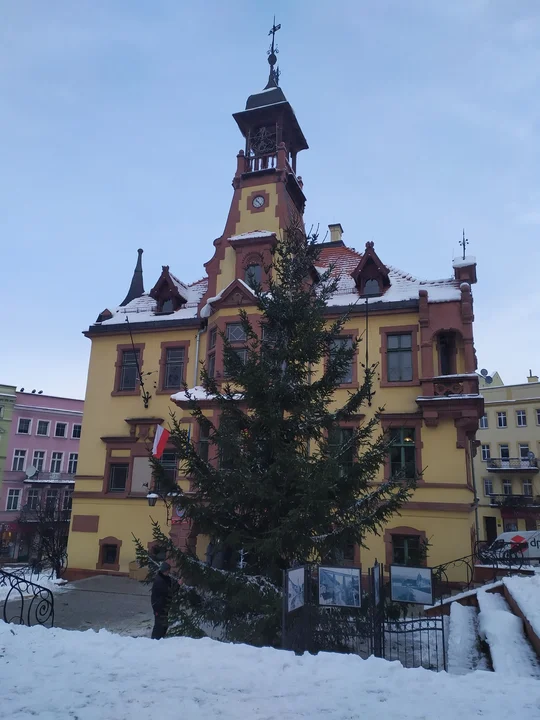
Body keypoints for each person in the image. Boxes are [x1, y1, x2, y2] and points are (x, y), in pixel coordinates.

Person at [151, 561, 172, 639]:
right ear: (164, 570)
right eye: (167, 571)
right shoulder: (160, 581)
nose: (168, 572)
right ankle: (154, 641)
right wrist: (178, 585)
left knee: (164, 626)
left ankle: (160, 641)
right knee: (159, 627)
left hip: (164, 607)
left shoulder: (166, 579)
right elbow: (169, 591)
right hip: (159, 607)